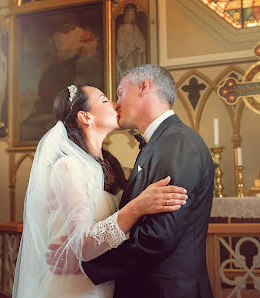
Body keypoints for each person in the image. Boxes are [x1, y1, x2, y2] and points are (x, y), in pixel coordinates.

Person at [49, 64, 215, 298]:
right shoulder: (161, 143)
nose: (117, 103)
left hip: (166, 290)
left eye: (119, 93)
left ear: (144, 88)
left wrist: (86, 266)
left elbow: (158, 236)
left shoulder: (176, 143)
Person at [12, 83, 188, 298]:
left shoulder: (110, 164)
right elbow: (83, 245)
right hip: (73, 290)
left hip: (105, 284)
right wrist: (138, 206)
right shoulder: (68, 167)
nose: (116, 104)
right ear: (86, 117)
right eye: (105, 100)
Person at [115, 3, 146, 86]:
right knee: (127, 75)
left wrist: (139, 47)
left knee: (135, 76)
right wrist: (127, 49)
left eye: (132, 14)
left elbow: (141, 41)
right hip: (125, 59)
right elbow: (120, 45)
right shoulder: (121, 29)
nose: (130, 16)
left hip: (135, 57)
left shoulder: (135, 28)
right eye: (129, 14)